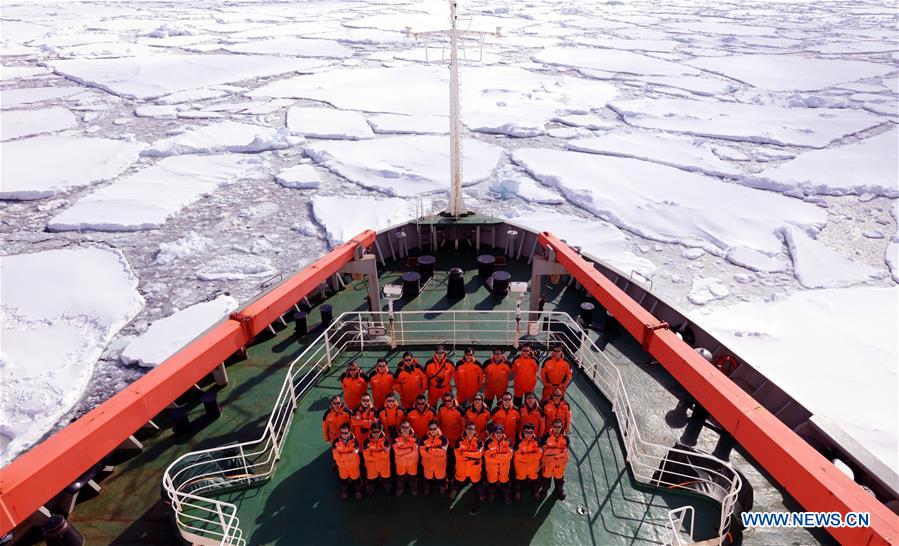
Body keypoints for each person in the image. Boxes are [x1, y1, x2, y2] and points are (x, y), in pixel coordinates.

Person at [451, 422, 484, 501]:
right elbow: (457, 456)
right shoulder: (459, 441)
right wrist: (472, 457)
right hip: (462, 467)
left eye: (472, 429)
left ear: (475, 431)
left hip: (474, 468)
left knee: (477, 481)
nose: (470, 431)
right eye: (468, 429)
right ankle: (454, 490)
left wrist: (465, 454)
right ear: (465, 430)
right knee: (458, 480)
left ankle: (481, 493)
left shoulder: (479, 442)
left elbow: (479, 455)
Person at [539, 418, 570, 500]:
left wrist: (552, 451)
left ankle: (559, 490)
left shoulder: (566, 438)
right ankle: (544, 491)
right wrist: (558, 452)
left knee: (559, 478)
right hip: (548, 463)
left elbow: (565, 451)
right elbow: (542, 449)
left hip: (559, 464)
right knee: (546, 479)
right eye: (555, 427)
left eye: (559, 427)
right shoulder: (546, 437)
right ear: (552, 427)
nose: (557, 429)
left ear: (561, 427)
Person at [483, 424, 514, 503]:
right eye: (496, 432)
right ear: (493, 433)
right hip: (492, 468)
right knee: (492, 483)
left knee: (505, 483)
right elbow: (487, 457)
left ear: (503, 432)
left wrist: (495, 456)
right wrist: (502, 458)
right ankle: (491, 495)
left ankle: (507, 496)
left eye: (500, 432)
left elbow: (510, 455)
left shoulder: (508, 441)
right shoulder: (488, 442)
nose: (498, 434)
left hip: (504, 468)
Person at [331, 423, 362, 501]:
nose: (343, 435)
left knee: (356, 482)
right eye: (342, 432)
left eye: (345, 433)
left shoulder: (355, 442)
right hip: (342, 468)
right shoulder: (335, 442)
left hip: (353, 467)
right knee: (344, 482)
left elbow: (354, 455)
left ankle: (358, 492)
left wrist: (342, 455)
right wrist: (349, 455)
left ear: (349, 432)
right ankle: (345, 492)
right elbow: (335, 457)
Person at [419, 420, 449, 496]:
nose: (432, 430)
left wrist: (429, 450)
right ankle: (427, 489)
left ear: (438, 428)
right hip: (427, 465)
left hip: (440, 465)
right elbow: (422, 453)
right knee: (427, 478)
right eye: (430, 429)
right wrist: (436, 450)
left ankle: (442, 489)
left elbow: (443, 452)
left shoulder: (444, 439)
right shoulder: (424, 439)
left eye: (434, 428)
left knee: (441, 479)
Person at [362, 422, 392, 497]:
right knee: (371, 482)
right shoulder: (366, 442)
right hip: (371, 467)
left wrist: (372, 453)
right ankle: (370, 493)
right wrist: (380, 453)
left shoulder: (386, 441)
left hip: (384, 467)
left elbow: (386, 454)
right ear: (371, 431)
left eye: (378, 431)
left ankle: (388, 493)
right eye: (373, 432)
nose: (375, 434)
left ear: (381, 431)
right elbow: (366, 456)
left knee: (387, 481)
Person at [513, 423, 542, 501]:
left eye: (531, 432)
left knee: (535, 480)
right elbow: (517, 455)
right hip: (521, 466)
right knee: (518, 480)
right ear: (523, 431)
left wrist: (524, 455)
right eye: (526, 432)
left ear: (533, 432)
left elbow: (539, 455)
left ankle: (536, 492)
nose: (528, 434)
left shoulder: (537, 440)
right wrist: (532, 455)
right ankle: (517, 493)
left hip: (533, 466)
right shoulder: (518, 440)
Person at [393, 421, 420, 496]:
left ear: (410, 428)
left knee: (413, 478)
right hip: (400, 464)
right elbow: (397, 452)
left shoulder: (416, 437)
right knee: (400, 478)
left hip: (412, 463)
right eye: (403, 427)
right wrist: (409, 450)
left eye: (407, 427)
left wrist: (402, 453)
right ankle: (400, 489)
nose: (405, 429)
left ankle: (414, 489)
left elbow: (415, 453)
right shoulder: (395, 437)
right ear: (400, 428)